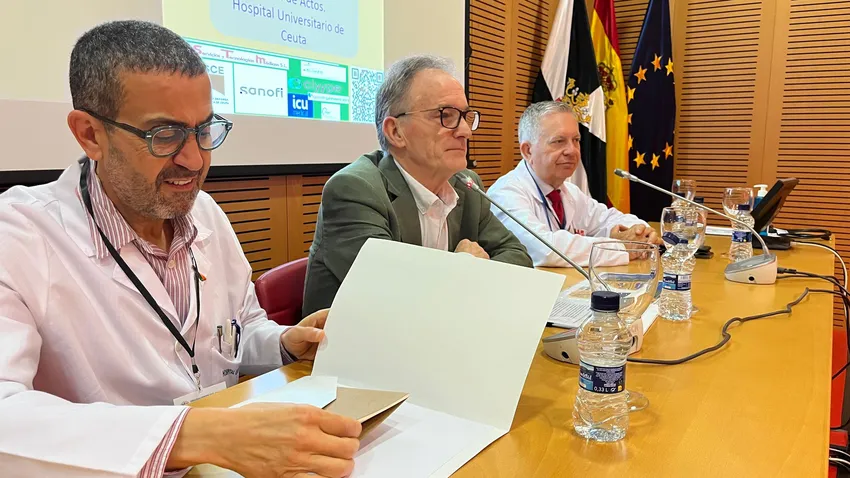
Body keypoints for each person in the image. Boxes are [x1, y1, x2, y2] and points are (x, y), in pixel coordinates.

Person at [0, 21, 361, 477]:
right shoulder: (20, 235)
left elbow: (238, 331)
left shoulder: (205, 213)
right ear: (90, 134)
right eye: (164, 135)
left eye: (204, 129)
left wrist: (283, 345)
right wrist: (195, 436)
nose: (194, 160)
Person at [302, 55, 532, 316]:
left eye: (465, 117)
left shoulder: (466, 186)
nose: (465, 132)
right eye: (446, 116)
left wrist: (467, 274)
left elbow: (518, 258)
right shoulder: (355, 190)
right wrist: (464, 266)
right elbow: (393, 298)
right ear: (396, 132)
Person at [487, 101, 662, 268]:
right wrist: (621, 247)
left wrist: (641, 233)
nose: (572, 150)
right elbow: (545, 250)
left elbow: (608, 218)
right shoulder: (506, 193)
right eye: (559, 141)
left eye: (576, 140)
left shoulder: (568, 190)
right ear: (528, 151)